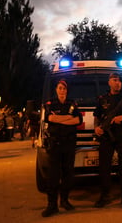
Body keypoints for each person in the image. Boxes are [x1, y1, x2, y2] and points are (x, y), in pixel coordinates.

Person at [93, 73, 122, 208]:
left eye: (119, 81)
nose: (117, 83)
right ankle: (104, 196)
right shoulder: (102, 99)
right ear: (109, 82)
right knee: (104, 168)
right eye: (114, 80)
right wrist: (96, 128)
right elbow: (96, 116)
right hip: (106, 137)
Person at [41, 79, 83, 217]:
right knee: (53, 176)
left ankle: (64, 201)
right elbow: (50, 118)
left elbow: (78, 120)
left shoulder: (72, 103)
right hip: (55, 144)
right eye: (60, 88)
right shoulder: (50, 104)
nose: (62, 91)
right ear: (56, 90)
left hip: (69, 144)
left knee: (68, 174)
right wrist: (67, 119)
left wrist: (59, 118)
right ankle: (52, 205)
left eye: (64, 89)